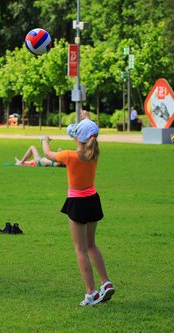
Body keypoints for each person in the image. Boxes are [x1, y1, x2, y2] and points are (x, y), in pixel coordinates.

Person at [41, 118, 114, 306]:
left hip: (77, 202)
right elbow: (87, 138)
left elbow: (47, 154)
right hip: (93, 200)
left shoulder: (69, 155)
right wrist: (85, 118)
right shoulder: (94, 154)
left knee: (80, 249)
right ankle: (105, 283)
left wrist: (44, 139)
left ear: (77, 139)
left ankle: (92, 292)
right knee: (91, 245)